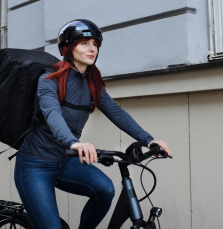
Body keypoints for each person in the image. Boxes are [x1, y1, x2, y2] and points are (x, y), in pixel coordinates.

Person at [14, 19, 172, 229]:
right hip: (36, 164)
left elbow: (116, 112)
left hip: (66, 160)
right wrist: (73, 142)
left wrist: (149, 140)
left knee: (105, 190)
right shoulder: (48, 79)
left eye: (95, 44)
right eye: (84, 43)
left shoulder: (92, 82)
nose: (92, 49)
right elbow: (52, 113)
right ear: (67, 48)